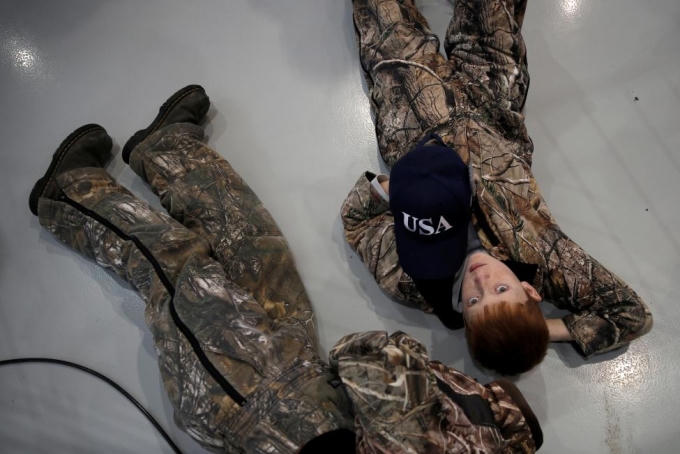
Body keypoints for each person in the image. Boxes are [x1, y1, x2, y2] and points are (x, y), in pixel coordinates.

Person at [29, 85, 543, 453]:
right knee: (255, 247)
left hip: (258, 408)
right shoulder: (482, 428)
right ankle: (169, 151)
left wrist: (413, 374)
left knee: (176, 269)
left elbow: (365, 357)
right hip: (311, 387)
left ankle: (71, 194)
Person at [341, 0, 652, 375]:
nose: (481, 280)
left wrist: (390, 189)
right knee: (492, 11)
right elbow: (631, 314)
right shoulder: (547, 262)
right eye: (502, 291)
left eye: (474, 301)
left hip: (413, 118)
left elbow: (357, 221)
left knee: (381, 14)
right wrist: (542, 331)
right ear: (530, 293)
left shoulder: (413, 282)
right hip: (495, 108)